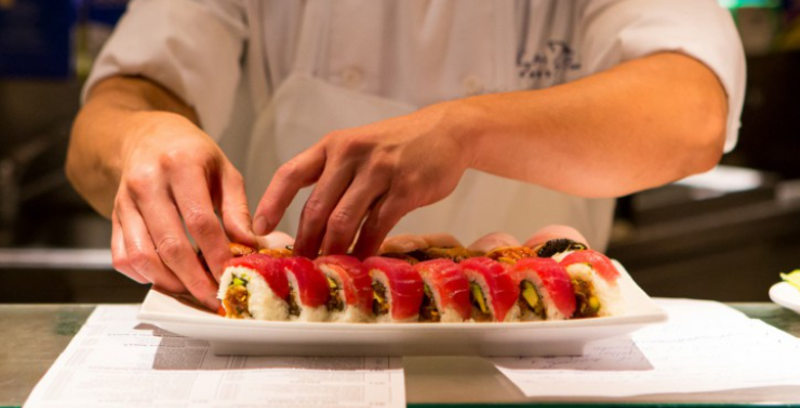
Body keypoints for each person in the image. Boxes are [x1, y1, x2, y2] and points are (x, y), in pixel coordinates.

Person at [65, 0, 745, 311]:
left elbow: (691, 112)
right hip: (291, 361)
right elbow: (112, 112)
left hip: (544, 356)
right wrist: (142, 137)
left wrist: (465, 129)